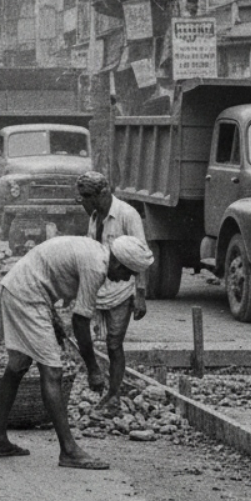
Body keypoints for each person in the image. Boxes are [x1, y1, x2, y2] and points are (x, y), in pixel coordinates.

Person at [0, 234, 154, 470]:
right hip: (27, 296)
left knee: (17, 366)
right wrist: (93, 369)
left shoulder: (96, 253)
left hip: (21, 289)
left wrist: (52, 319)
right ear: (118, 263)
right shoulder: (96, 267)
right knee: (52, 372)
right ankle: (69, 450)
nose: (125, 279)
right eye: (128, 273)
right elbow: (80, 321)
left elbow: (49, 276)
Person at [74, 171, 148, 417]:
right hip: (98, 288)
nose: (83, 202)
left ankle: (114, 395)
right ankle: (105, 385)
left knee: (114, 344)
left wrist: (141, 293)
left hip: (121, 288)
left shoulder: (127, 215)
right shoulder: (94, 217)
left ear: (102, 194)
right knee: (97, 341)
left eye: (87, 197)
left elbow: (142, 255)